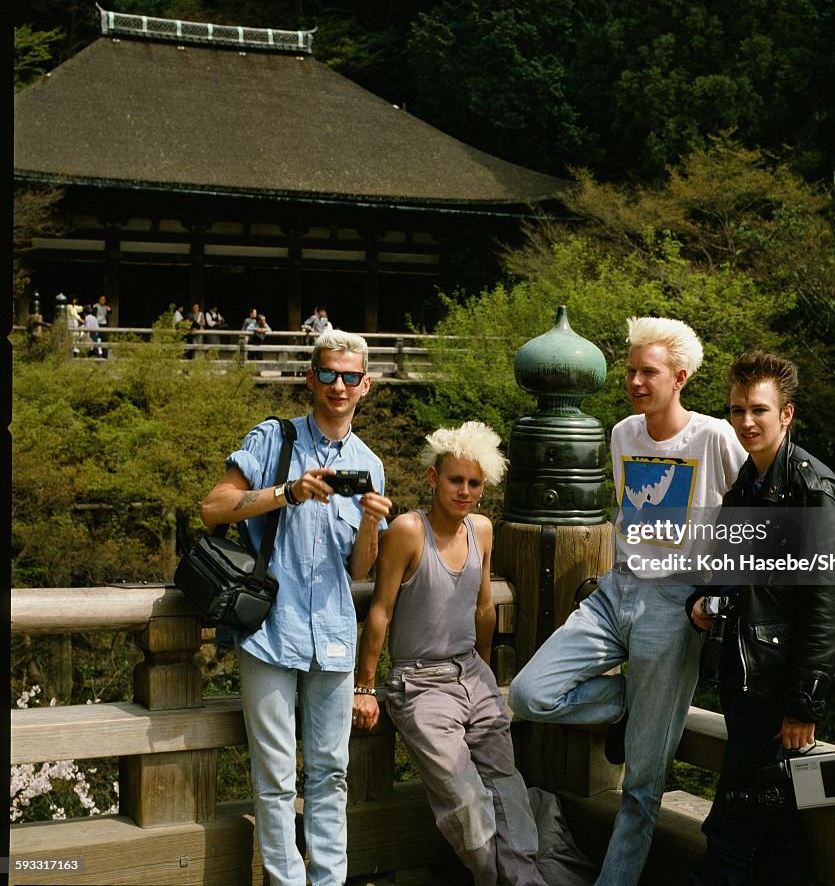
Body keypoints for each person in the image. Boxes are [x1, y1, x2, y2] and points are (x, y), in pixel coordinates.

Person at [508, 316, 747, 886]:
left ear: (680, 377)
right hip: (616, 591)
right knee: (528, 693)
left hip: (675, 603)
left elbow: (758, 503)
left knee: (642, 784)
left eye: (649, 372)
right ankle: (639, 706)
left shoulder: (714, 437)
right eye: (632, 370)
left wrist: (721, 584)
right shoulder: (621, 433)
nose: (635, 381)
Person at [199, 330, 392, 886]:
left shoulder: (368, 464)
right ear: (310, 378)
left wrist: (374, 521)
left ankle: (329, 880)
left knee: (332, 773)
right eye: (328, 374)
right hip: (268, 629)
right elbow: (213, 508)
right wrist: (288, 492)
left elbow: (359, 570)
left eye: (350, 377)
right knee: (275, 776)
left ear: (366, 386)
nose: (338, 385)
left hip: (332, 632)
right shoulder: (272, 439)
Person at [686, 350, 835, 886]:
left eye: (759, 410)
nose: (746, 421)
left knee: (736, 823)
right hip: (747, 676)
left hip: (778, 687)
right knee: (773, 825)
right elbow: (718, 565)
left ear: (786, 414)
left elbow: (824, 606)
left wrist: (802, 706)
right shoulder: (748, 483)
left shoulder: (813, 490)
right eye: (737, 409)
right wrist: (699, 603)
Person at [354, 422, 545, 886]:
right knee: (465, 796)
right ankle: (494, 878)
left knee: (506, 785)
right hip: (418, 680)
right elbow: (380, 611)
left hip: (471, 674)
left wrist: (479, 670)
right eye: (455, 479)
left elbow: (483, 606)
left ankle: (526, 879)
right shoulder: (407, 530)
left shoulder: (481, 530)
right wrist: (365, 685)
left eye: (474, 483)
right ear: (432, 478)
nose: (464, 491)